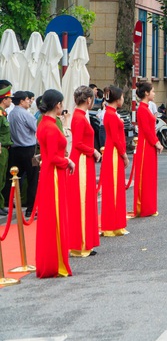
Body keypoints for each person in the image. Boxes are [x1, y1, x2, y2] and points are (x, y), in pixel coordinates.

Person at [35, 89, 75, 278]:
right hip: (54, 175)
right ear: (57, 104)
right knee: (56, 216)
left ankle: (53, 259)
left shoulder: (45, 123)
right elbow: (52, 157)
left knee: (53, 217)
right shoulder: (50, 127)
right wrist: (67, 161)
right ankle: (56, 261)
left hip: (51, 174)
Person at [68, 86, 101, 257]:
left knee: (86, 200)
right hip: (81, 160)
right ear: (88, 100)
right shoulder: (79, 118)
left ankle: (85, 241)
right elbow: (78, 143)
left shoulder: (79, 116)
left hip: (83, 159)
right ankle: (80, 243)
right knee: (82, 200)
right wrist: (93, 151)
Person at [99, 86, 129, 236]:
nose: (123, 100)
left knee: (116, 188)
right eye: (122, 97)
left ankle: (117, 222)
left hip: (114, 151)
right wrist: (124, 154)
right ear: (117, 99)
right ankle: (112, 224)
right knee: (113, 188)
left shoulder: (111, 113)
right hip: (114, 152)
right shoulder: (110, 115)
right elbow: (115, 137)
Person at [132, 82, 163, 217]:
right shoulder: (142, 109)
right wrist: (157, 143)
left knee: (150, 176)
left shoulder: (145, 108)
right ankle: (145, 207)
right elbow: (146, 130)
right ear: (146, 93)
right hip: (146, 146)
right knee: (146, 176)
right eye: (153, 91)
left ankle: (149, 206)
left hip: (148, 145)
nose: (154, 93)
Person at [8, 91, 38, 219]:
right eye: (27, 100)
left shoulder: (11, 114)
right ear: (21, 101)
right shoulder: (26, 114)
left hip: (15, 149)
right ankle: (31, 208)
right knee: (33, 179)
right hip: (29, 149)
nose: (29, 102)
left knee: (15, 179)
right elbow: (36, 129)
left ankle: (14, 205)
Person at [0, 85, 12, 216]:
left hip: (5, 148)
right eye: (9, 98)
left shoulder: (3, 113)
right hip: (1, 149)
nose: (11, 101)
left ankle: (1, 204)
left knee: (3, 178)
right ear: (4, 100)